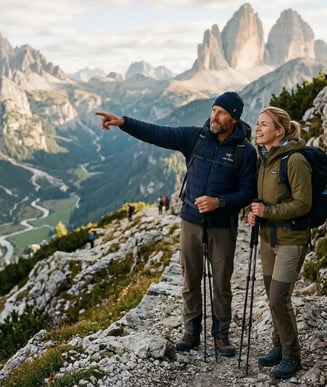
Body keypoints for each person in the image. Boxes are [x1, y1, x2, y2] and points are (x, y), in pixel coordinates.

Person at [96, 91, 257, 356]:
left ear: (234, 118)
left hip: (222, 226)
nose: (214, 116)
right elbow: (158, 133)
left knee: (221, 284)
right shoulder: (196, 137)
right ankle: (191, 331)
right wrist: (123, 122)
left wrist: (220, 203)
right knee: (190, 279)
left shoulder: (245, 151)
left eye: (221, 113)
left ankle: (221, 336)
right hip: (190, 221)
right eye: (213, 110)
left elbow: (248, 192)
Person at [247, 106, 312, 379]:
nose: (258, 128)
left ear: (280, 130)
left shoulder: (294, 160)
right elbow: (264, 200)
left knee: (278, 297)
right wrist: (254, 213)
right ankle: (278, 346)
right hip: (267, 239)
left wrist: (268, 213)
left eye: (264, 124)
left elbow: (304, 203)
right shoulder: (264, 159)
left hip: (291, 240)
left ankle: (291, 355)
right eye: (258, 123)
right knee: (273, 298)